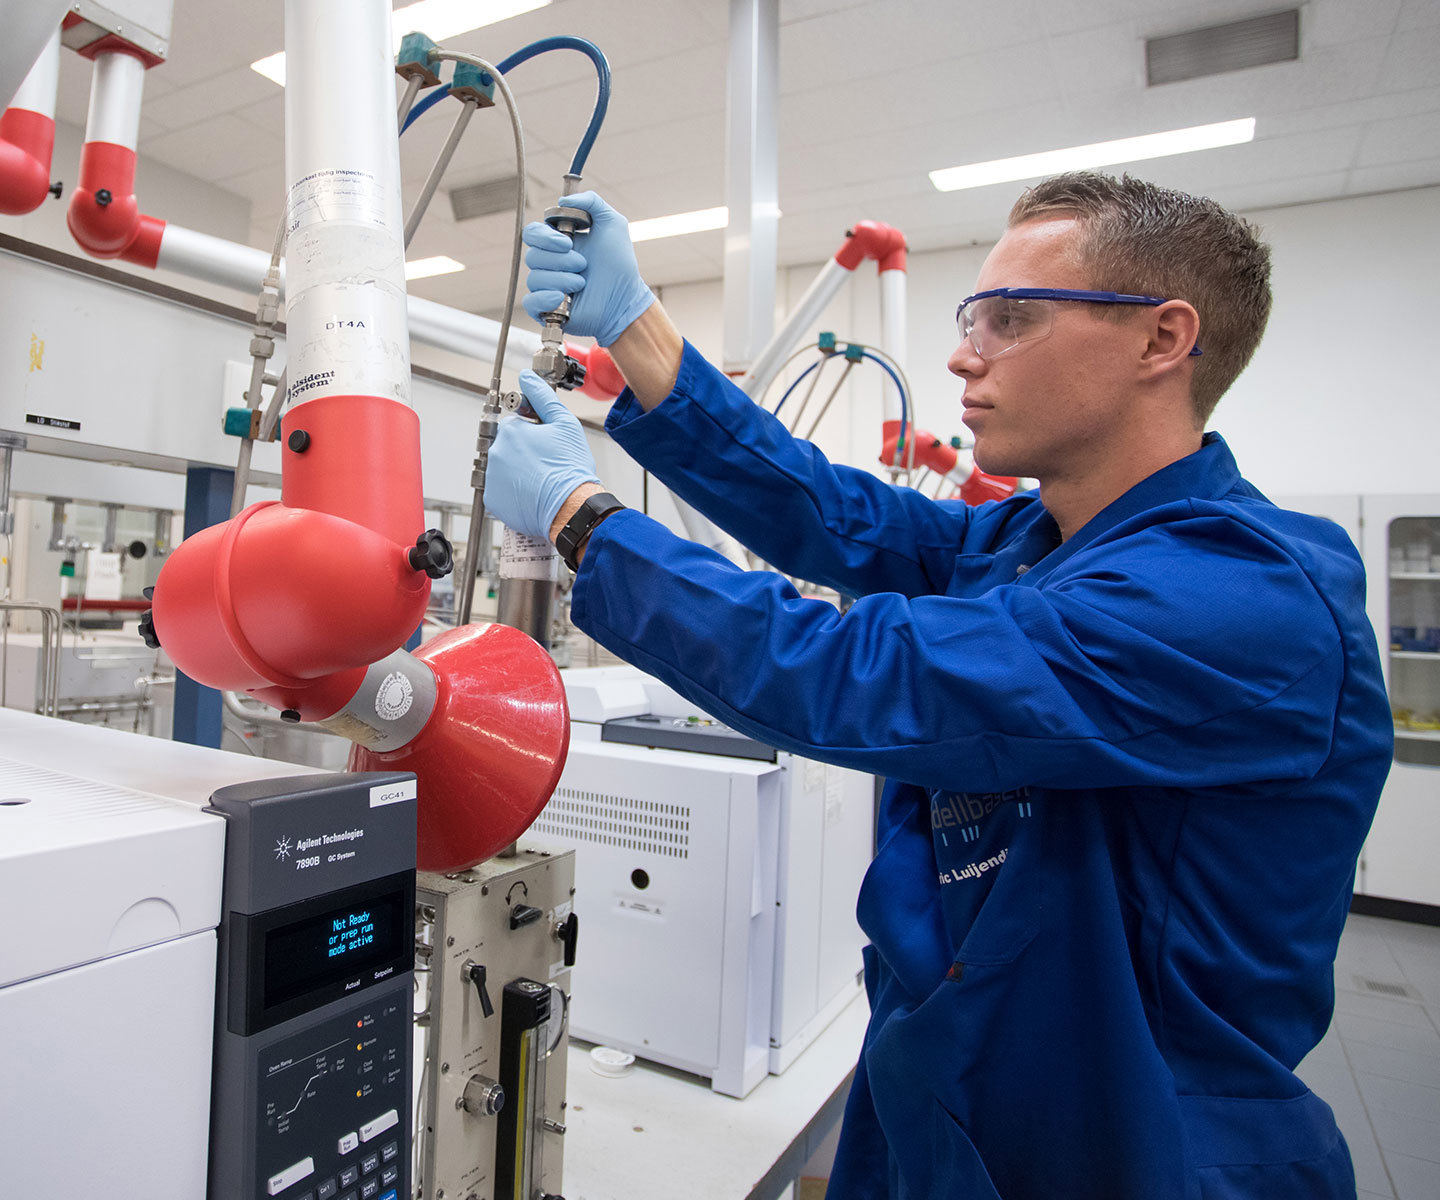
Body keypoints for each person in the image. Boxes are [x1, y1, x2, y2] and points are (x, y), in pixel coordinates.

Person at [482, 171, 1392, 1199]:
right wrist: (634, 325)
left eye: (1010, 319)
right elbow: (830, 512)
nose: (963, 353)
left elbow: (862, 677)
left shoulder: (1241, 595)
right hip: (943, 1097)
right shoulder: (1033, 541)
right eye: (973, 316)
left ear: (1162, 339)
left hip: (1135, 1145)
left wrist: (580, 518)